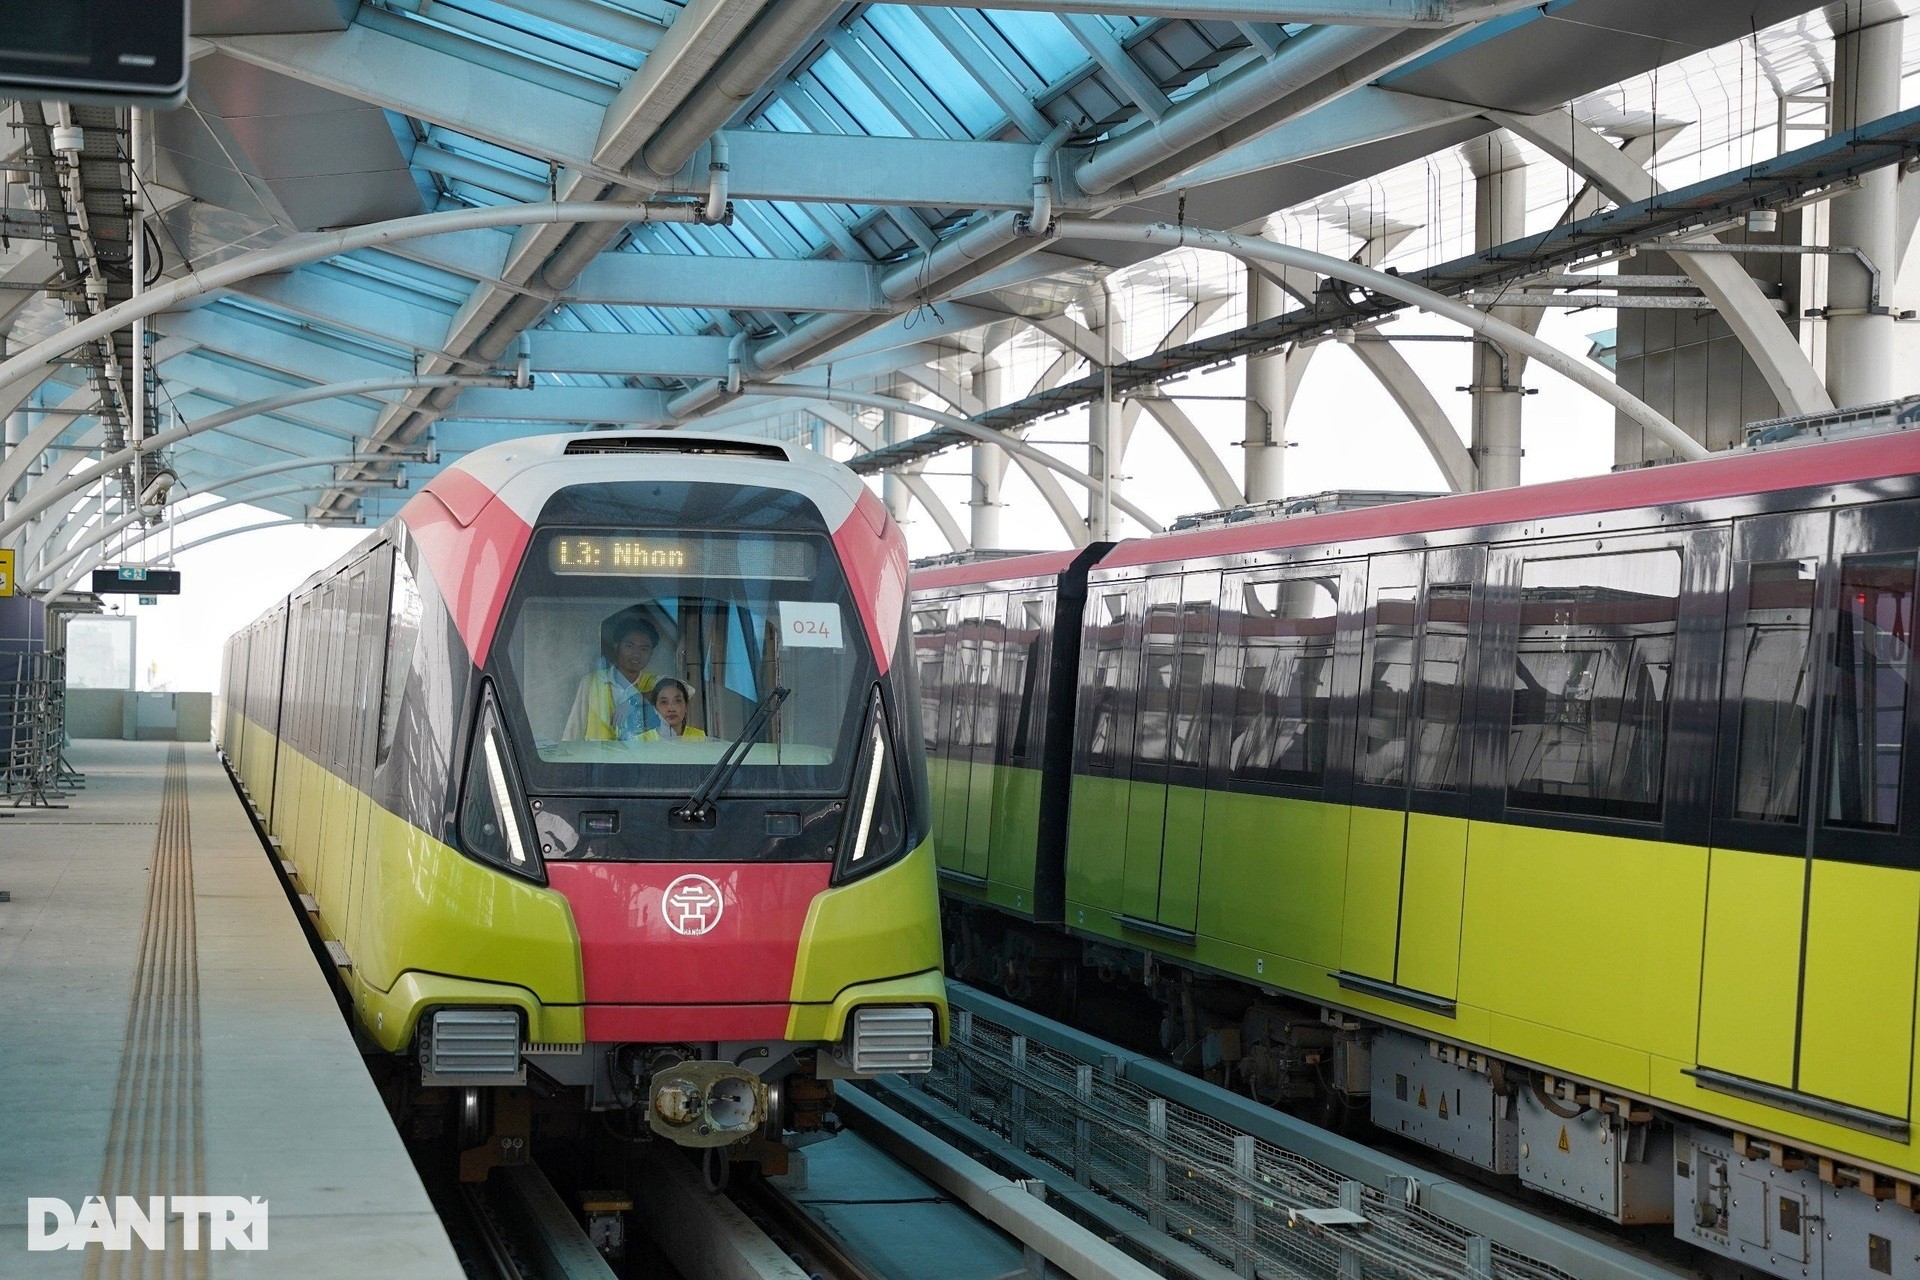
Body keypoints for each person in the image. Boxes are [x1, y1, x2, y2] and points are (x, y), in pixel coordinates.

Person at [563, 608, 662, 740]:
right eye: (629, 646)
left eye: (644, 649)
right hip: (599, 759)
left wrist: (636, 700)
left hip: (641, 759)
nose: (637, 654)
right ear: (617, 646)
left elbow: (685, 689)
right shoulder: (591, 682)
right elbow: (574, 731)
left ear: (651, 653)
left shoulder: (653, 682)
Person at [639, 677, 707, 741]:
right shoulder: (642, 740)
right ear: (655, 708)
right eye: (664, 702)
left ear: (686, 706)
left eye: (677, 701)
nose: (671, 708)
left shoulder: (699, 737)